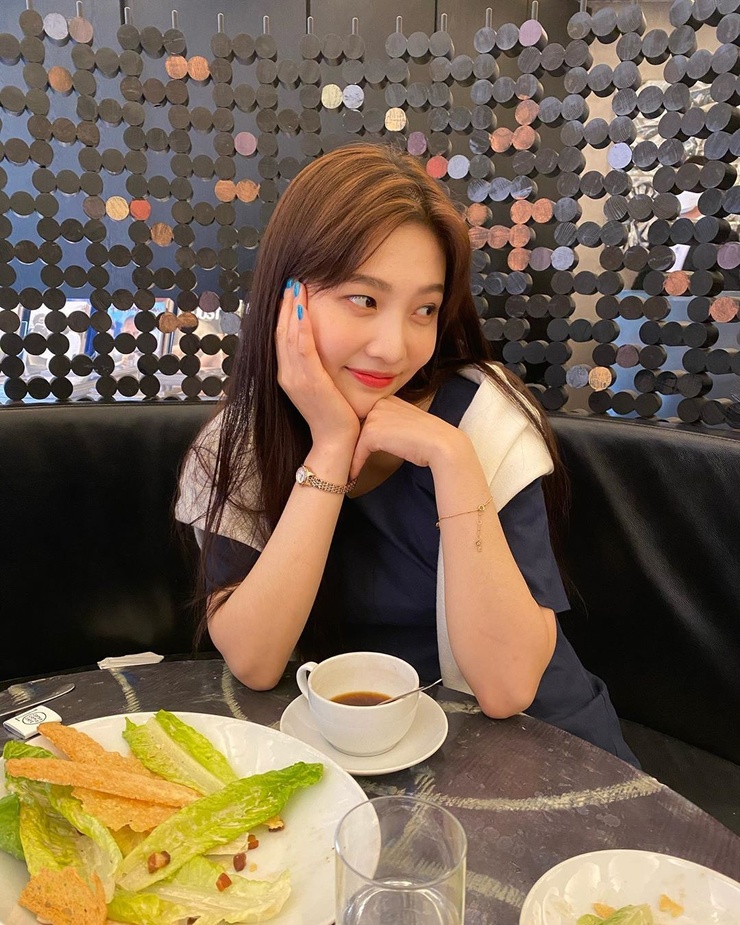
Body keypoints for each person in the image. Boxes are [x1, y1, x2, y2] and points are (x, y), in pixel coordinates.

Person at [176, 142, 637, 765]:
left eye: (424, 309)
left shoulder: (483, 418)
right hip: (366, 750)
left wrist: (453, 460)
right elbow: (255, 662)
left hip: (536, 746)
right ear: (290, 299)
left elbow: (508, 689)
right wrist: (332, 447)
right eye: (364, 299)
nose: (394, 348)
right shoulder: (238, 446)